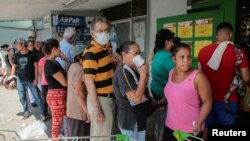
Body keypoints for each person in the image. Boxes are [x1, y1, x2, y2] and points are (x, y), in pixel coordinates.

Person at [198, 22, 249, 140]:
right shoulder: (238, 51)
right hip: (228, 101)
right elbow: (246, 78)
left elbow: (200, 77)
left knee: (208, 126)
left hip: (207, 99)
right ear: (230, 35)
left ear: (217, 35)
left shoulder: (202, 51)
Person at [163, 43, 212, 141]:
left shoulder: (198, 77)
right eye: (182, 57)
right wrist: (163, 101)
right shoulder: (171, 73)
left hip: (191, 129)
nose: (186, 61)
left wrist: (200, 122)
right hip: (169, 126)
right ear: (174, 59)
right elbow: (174, 92)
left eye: (189, 57)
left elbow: (208, 101)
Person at [82, 16, 115, 140]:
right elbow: (89, 82)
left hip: (108, 98)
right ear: (92, 33)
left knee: (106, 135)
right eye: (100, 31)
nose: (104, 34)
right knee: (100, 137)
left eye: (106, 30)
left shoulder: (104, 49)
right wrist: (97, 109)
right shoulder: (91, 53)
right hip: (100, 100)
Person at [113, 41, 149, 141]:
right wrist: (142, 75)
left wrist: (144, 73)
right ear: (124, 55)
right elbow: (136, 98)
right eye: (136, 53)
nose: (139, 56)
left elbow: (141, 89)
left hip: (138, 120)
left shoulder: (132, 69)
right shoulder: (123, 71)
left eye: (139, 53)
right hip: (130, 121)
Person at [10, 38, 43, 119]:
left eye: (17, 45)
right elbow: (14, 66)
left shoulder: (32, 54)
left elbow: (36, 67)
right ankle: (26, 110)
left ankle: (43, 111)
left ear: (22, 44)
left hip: (31, 79)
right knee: (22, 96)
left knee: (37, 97)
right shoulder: (17, 55)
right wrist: (11, 79)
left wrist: (36, 79)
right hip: (20, 79)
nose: (16, 47)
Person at [44, 38, 67, 138]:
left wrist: (65, 60)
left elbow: (64, 74)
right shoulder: (50, 64)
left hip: (58, 95)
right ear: (53, 49)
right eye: (59, 48)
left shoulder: (55, 62)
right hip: (56, 96)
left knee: (61, 120)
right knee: (57, 123)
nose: (60, 51)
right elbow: (64, 82)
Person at [66, 45, 90, 137]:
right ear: (80, 57)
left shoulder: (73, 66)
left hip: (73, 108)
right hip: (78, 110)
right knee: (80, 136)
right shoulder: (80, 70)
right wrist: (87, 112)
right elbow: (79, 93)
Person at [150, 29, 175, 101]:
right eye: (172, 41)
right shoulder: (167, 56)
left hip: (155, 86)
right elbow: (180, 73)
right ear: (167, 42)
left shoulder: (158, 53)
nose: (174, 44)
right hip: (161, 90)